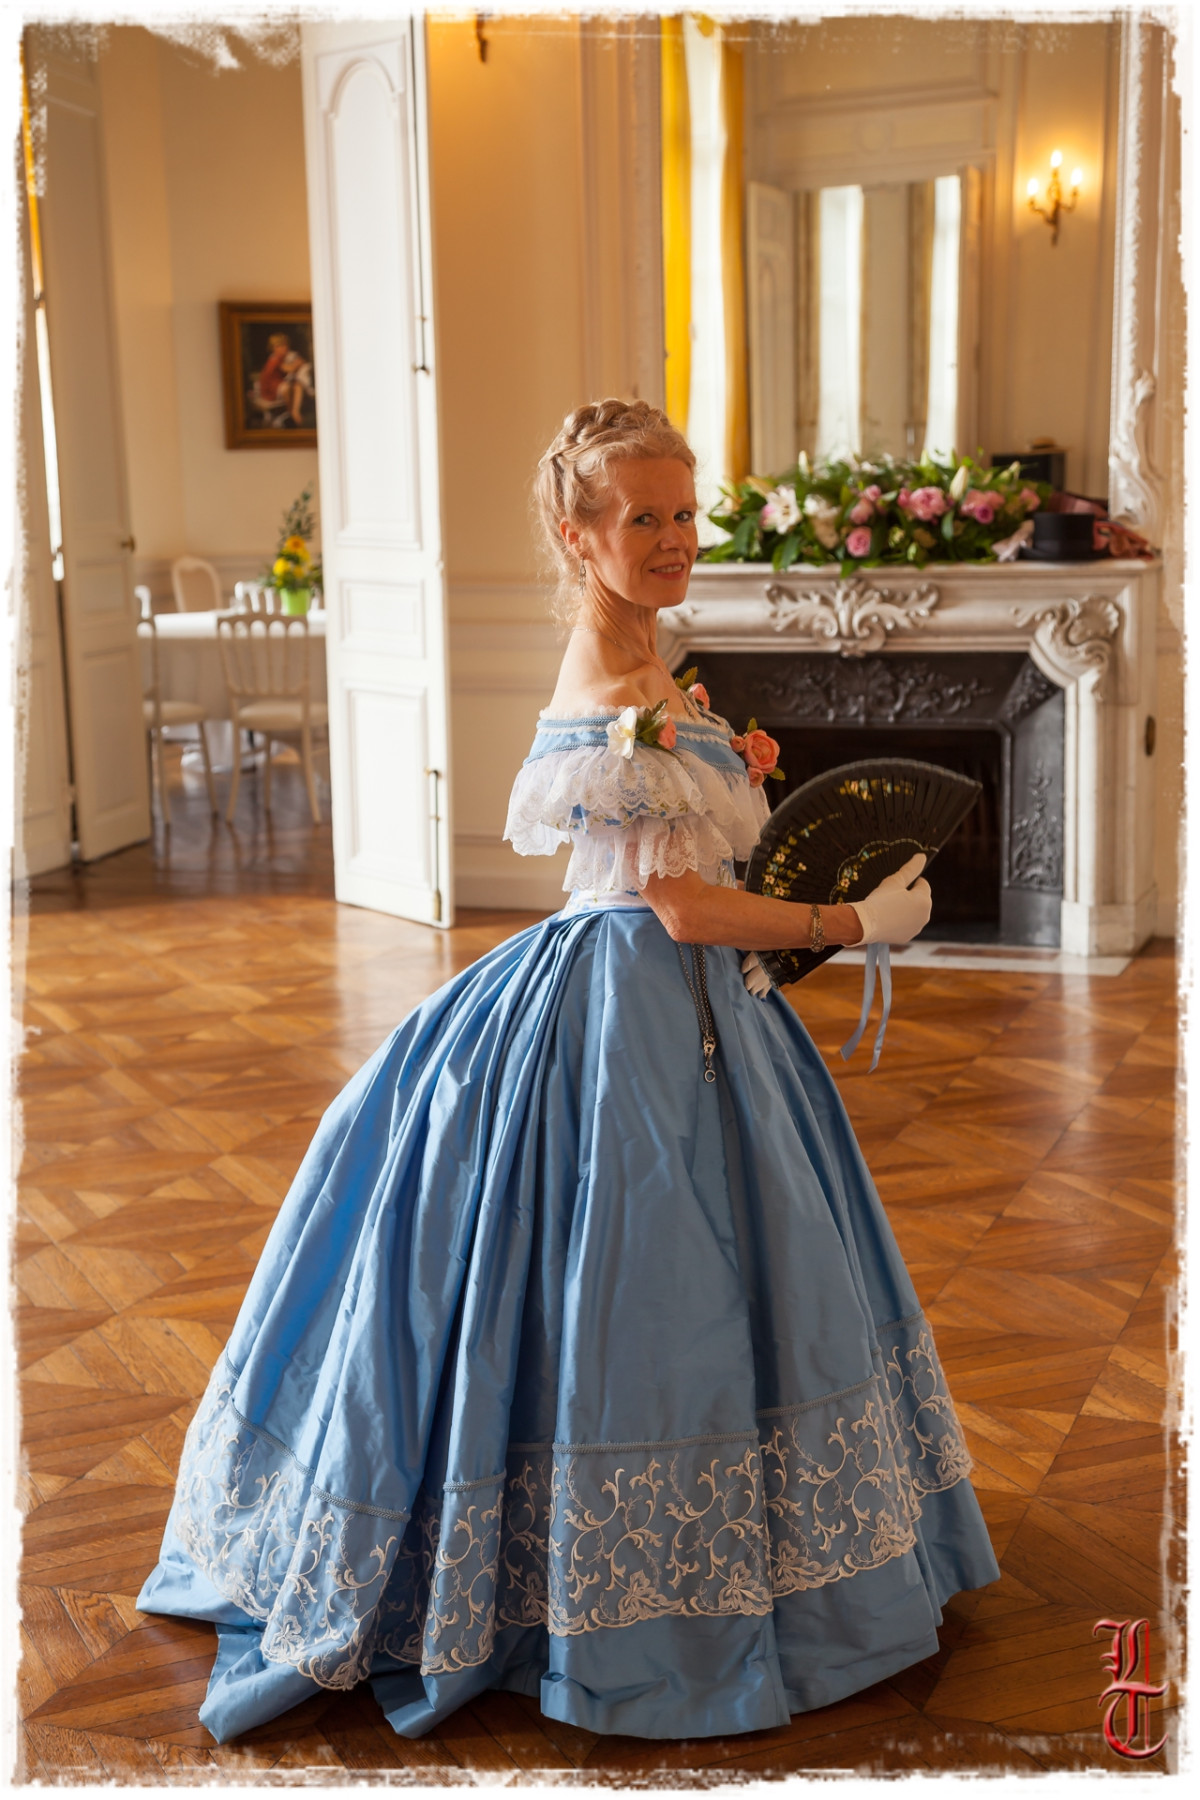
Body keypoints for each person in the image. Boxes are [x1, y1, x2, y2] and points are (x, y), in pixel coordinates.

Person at [138, 399, 999, 1744]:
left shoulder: (653, 663)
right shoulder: (614, 693)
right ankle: (617, 1600)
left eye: (684, 511)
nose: (672, 538)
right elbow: (682, 908)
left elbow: (698, 882)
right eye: (641, 517)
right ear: (575, 532)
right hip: (627, 1011)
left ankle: (727, 1558)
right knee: (642, 1281)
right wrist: (850, 921)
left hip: (686, 1011)